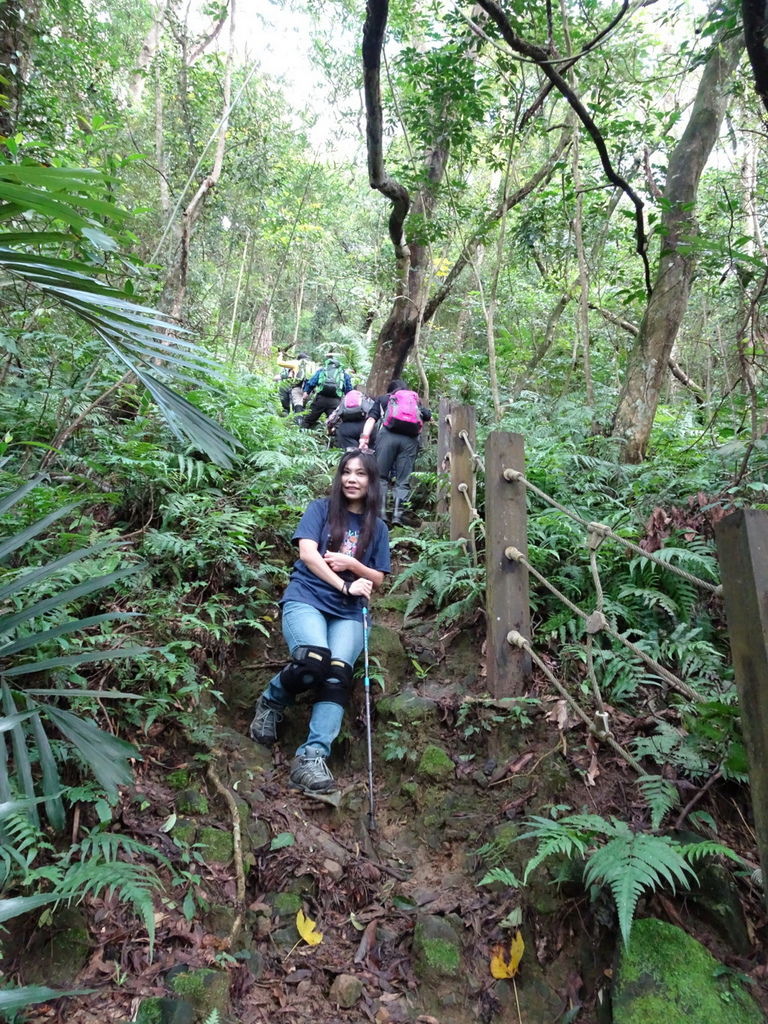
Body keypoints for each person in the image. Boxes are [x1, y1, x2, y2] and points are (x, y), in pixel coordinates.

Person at [248, 450, 391, 793]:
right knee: (314, 659)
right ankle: (271, 700)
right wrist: (342, 582)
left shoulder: (379, 527)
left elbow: (379, 578)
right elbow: (308, 554)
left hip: (349, 611)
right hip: (307, 598)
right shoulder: (320, 509)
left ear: (372, 481)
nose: (352, 479)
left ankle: (311, 757)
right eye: (346, 472)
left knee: (338, 672)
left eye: (360, 474)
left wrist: (352, 565)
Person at [359, 378, 431, 525]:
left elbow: (372, 419)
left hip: (387, 437)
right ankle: (398, 516)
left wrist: (364, 438)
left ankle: (382, 513)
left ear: (391, 390)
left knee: (381, 476)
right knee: (403, 479)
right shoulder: (414, 401)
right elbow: (427, 415)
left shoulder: (384, 399)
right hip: (410, 441)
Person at [301, 356, 353, 429]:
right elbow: (349, 390)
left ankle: (301, 436)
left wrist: (306, 393)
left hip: (320, 399)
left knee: (308, 420)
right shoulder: (343, 374)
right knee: (336, 424)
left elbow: (311, 382)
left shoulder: (322, 371)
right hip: (335, 401)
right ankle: (334, 439)